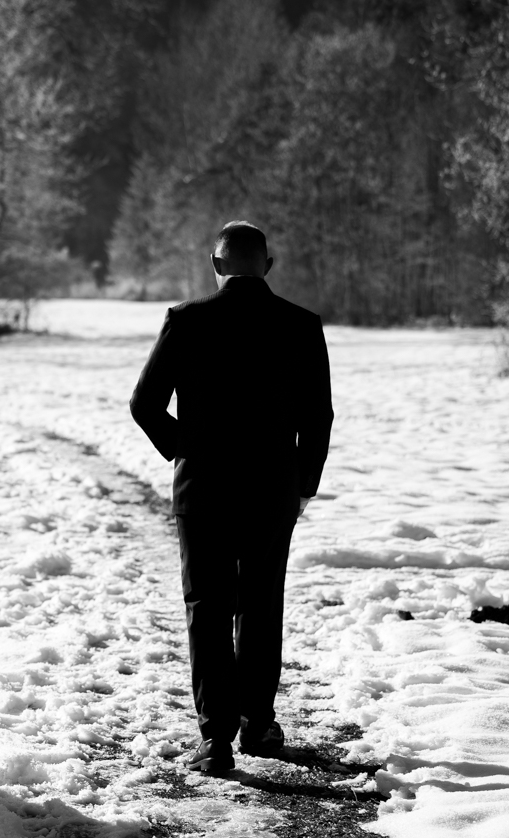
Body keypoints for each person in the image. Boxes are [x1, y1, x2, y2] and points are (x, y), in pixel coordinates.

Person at [129, 221, 333, 775]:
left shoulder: (187, 320)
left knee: (208, 609)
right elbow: (319, 418)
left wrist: (186, 451)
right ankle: (259, 725)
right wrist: (303, 485)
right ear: (268, 265)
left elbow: (144, 404)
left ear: (215, 266)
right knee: (262, 606)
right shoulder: (301, 325)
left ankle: (215, 740)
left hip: (204, 489)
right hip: (272, 490)